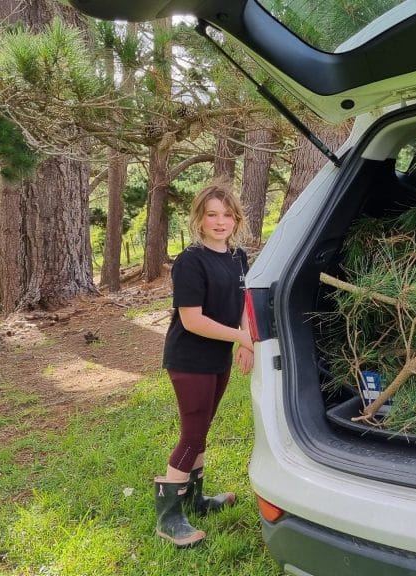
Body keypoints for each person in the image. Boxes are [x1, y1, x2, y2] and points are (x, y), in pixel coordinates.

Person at [154, 180, 254, 547]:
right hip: (189, 359)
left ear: (236, 219)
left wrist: (246, 339)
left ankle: (195, 499)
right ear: (199, 217)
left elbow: (243, 301)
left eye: (227, 214)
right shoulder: (190, 261)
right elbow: (192, 319)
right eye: (212, 214)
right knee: (192, 435)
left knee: (202, 429)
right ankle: (168, 519)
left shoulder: (237, 256)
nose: (220, 221)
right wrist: (241, 338)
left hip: (218, 357)